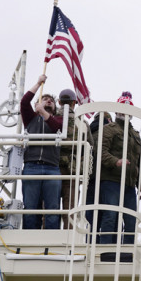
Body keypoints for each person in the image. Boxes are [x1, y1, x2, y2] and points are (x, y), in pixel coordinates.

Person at [97, 92, 141, 244]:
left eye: (128, 108)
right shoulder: (109, 128)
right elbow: (101, 151)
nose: (124, 111)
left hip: (129, 184)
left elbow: (139, 161)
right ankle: (105, 250)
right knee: (110, 216)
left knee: (130, 220)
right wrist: (115, 161)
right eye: (121, 107)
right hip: (111, 181)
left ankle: (128, 252)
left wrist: (140, 182)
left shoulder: (136, 134)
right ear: (116, 110)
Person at [20, 74, 63, 229]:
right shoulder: (31, 118)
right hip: (32, 166)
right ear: (38, 103)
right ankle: (29, 239)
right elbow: (24, 102)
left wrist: (43, 112)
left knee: (52, 209)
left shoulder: (59, 119)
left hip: (52, 167)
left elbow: (57, 128)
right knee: (30, 209)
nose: (48, 101)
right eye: (44, 99)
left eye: (50, 100)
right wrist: (38, 83)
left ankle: (52, 243)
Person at [58, 88, 80, 221]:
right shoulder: (81, 123)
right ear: (74, 103)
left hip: (53, 167)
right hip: (72, 168)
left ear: (59, 102)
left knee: (49, 208)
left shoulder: (50, 119)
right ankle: (68, 236)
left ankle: (47, 238)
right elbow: (90, 144)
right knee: (70, 209)